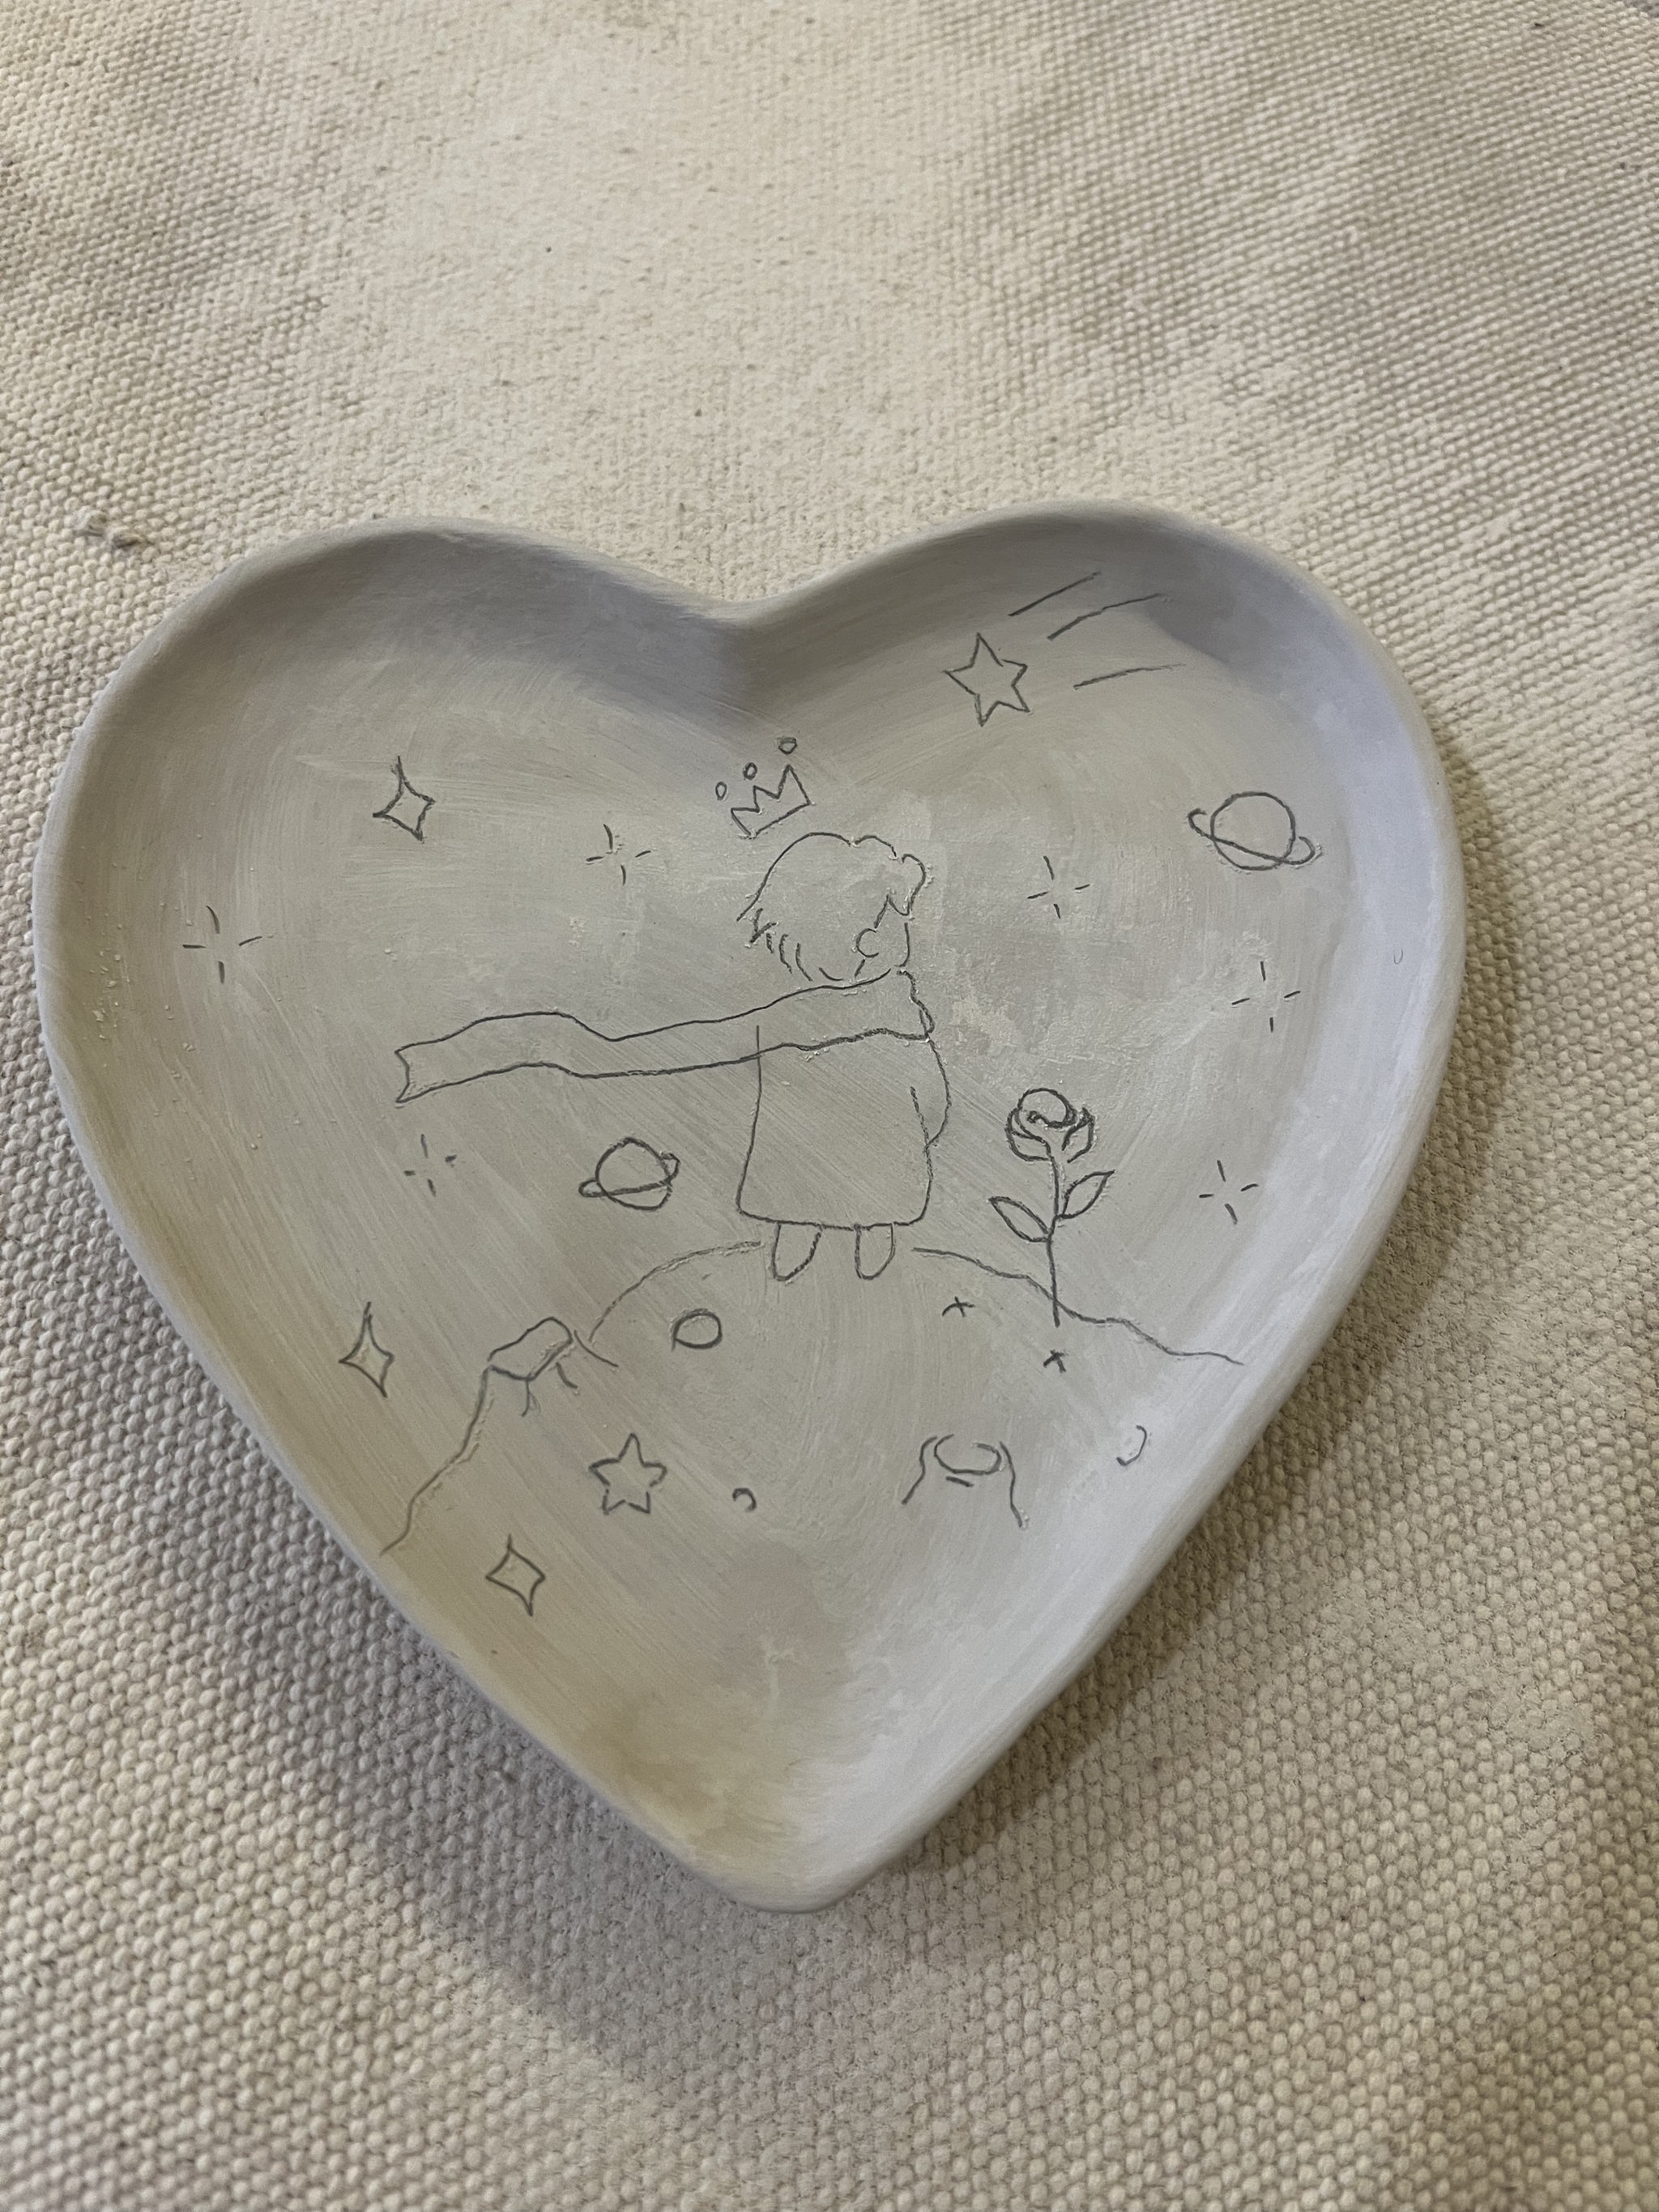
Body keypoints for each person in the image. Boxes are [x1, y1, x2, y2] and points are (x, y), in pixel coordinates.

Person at [394, 831, 949, 1282]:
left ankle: (817, 1238)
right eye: (899, 918)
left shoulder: (798, 1016)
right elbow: (930, 1095)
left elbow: (689, 1046)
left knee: (811, 1193)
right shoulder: (890, 1021)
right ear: (869, 940)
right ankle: (858, 1240)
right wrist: (930, 1125)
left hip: (810, 1159)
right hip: (867, 1160)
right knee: (859, 1196)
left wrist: (586, 1048)